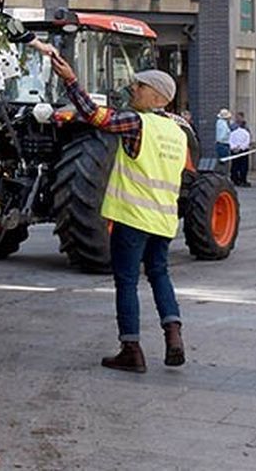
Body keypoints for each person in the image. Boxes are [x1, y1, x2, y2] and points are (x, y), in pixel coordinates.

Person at [49, 56, 187, 372]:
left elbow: (95, 116)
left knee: (126, 281)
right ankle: (173, 335)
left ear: (157, 97)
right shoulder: (178, 133)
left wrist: (71, 80)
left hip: (133, 218)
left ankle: (131, 349)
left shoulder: (138, 123)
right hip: (164, 220)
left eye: (140, 86)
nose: (132, 88)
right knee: (159, 274)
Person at [228, 115, 252, 186]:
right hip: (243, 151)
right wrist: (241, 148)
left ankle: (235, 179)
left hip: (234, 151)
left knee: (235, 166)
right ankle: (243, 180)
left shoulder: (233, 133)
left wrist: (234, 148)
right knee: (243, 166)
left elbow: (230, 141)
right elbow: (247, 142)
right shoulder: (246, 133)